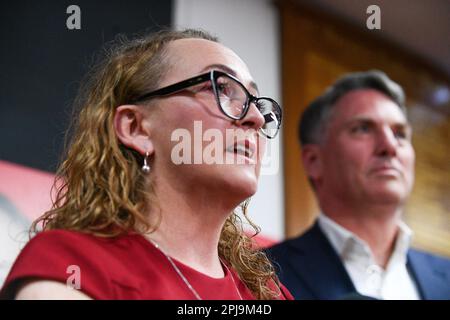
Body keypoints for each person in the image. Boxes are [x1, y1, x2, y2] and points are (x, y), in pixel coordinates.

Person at [0, 29, 291, 300]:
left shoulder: (265, 291)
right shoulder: (70, 264)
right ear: (136, 128)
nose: (255, 117)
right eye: (220, 88)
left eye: (257, 102)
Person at [267, 70, 450, 300]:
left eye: (400, 133)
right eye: (362, 128)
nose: (389, 146)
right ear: (314, 161)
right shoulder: (261, 275)